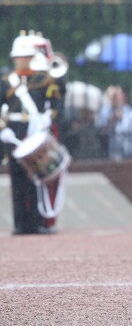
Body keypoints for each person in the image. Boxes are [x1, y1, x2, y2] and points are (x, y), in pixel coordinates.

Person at [0, 31, 67, 235]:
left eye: (26, 57)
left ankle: (37, 222)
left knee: (36, 179)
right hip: (14, 133)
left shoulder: (44, 79)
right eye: (19, 57)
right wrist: (3, 129)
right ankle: (21, 224)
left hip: (34, 132)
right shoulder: (6, 81)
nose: (22, 60)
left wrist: (48, 118)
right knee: (17, 180)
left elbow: (56, 103)